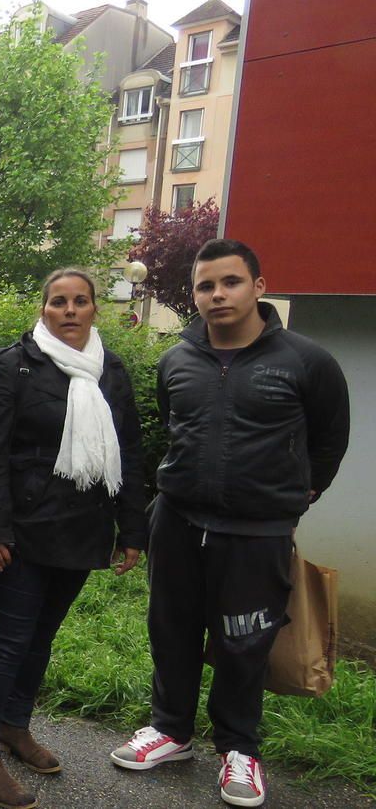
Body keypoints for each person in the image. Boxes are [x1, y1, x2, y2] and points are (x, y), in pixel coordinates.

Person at [110, 239, 350, 808]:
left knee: (244, 640)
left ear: (259, 287)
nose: (217, 295)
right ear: (193, 295)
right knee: (170, 630)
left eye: (230, 282)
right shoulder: (176, 360)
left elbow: (328, 443)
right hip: (177, 518)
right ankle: (171, 731)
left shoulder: (307, 361)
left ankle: (239, 749)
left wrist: (290, 500)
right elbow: (174, 426)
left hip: (257, 530)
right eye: (205, 286)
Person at [0, 269, 148, 809]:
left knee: (42, 637)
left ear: (95, 309)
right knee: (9, 643)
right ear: (43, 310)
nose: (69, 310)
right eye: (58, 301)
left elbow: (129, 453)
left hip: (82, 530)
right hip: (21, 533)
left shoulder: (109, 370)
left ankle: (13, 728)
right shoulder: (11, 366)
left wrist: (132, 528)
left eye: (81, 301)